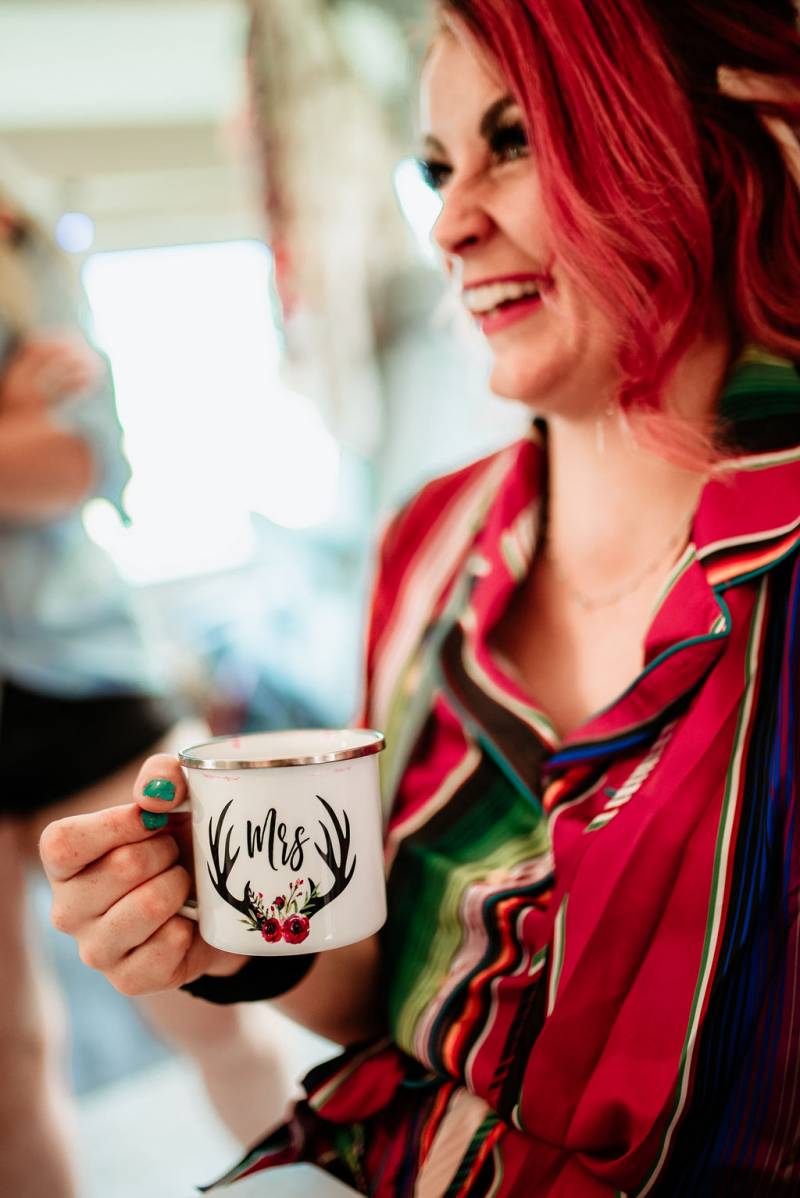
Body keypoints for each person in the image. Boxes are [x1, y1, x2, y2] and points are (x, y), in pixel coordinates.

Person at [39, 0, 800, 1193]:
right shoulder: (432, 537)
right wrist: (231, 934)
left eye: (513, 142)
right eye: (433, 166)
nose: (447, 221)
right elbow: (386, 996)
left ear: (699, 140)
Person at [0, 192, 292, 1198]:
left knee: (219, 998)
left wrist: (36, 437)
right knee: (7, 1071)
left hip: (85, 681)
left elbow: (78, 461)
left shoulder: (29, 250)